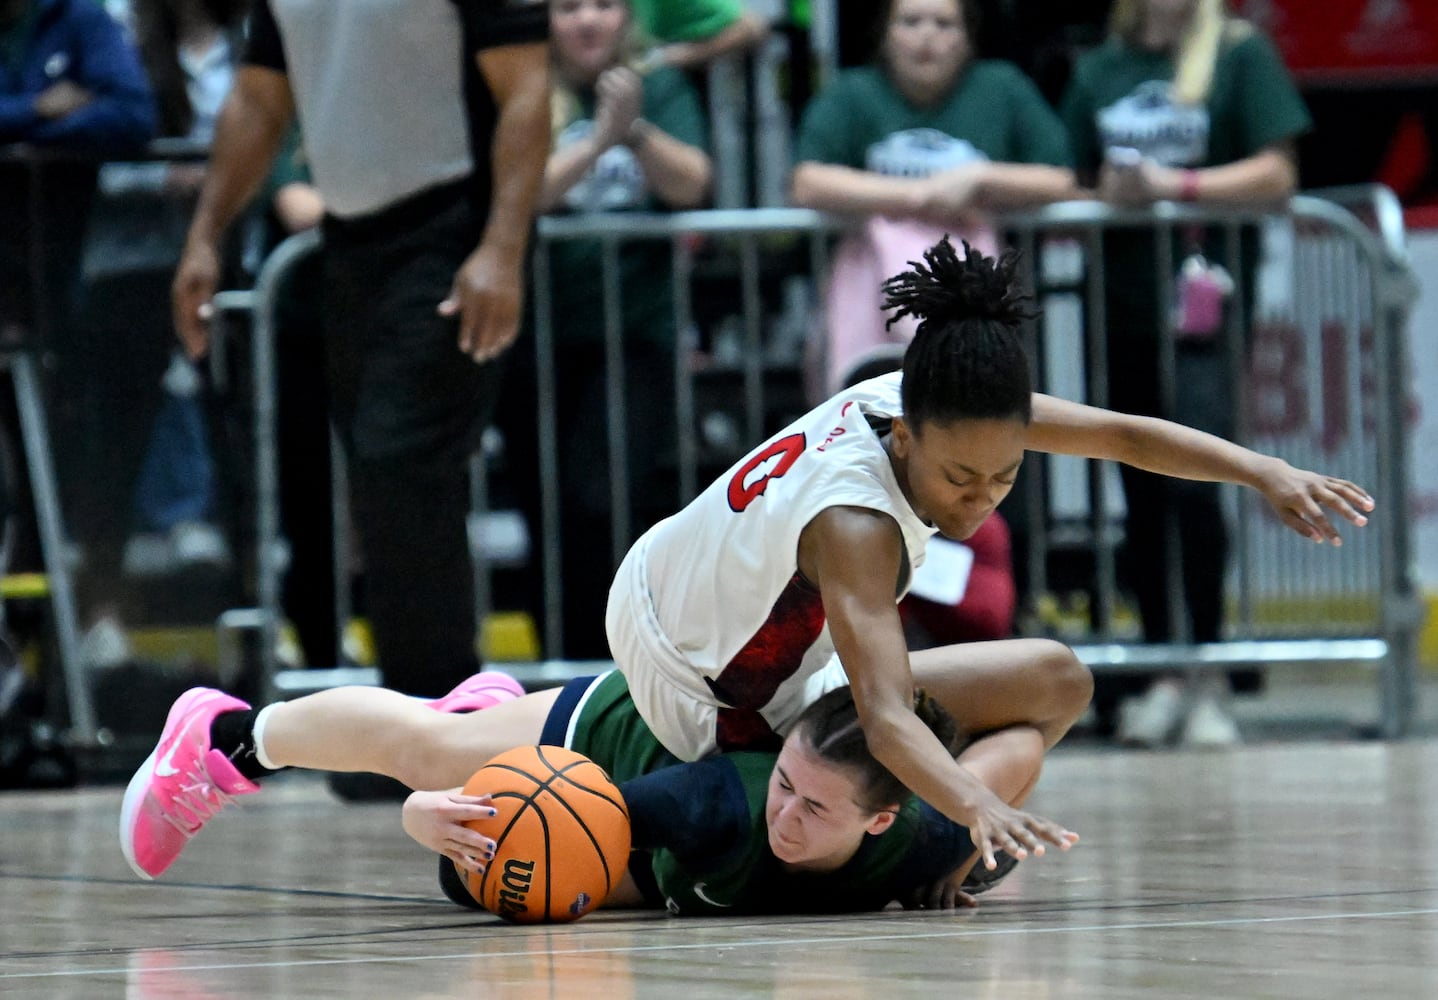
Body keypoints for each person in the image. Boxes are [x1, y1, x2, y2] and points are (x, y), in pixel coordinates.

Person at [603, 235, 1371, 871]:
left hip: (696, 593)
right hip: (695, 683)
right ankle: (940, 845)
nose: (981, 498)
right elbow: (884, 718)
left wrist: (1262, 470)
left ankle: (947, 840)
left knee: (1057, 681)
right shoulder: (856, 523)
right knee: (867, 800)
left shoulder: (944, 399)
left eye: (1004, 476)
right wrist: (978, 803)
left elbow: (1125, 435)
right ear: (904, 437)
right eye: (961, 478)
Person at [169, 3, 550, 720]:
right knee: (381, 482)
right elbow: (259, 98)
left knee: (399, 461)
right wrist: (205, 235)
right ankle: (424, 715)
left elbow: (528, 91)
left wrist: (502, 248)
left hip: (453, 228)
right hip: (350, 245)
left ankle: (439, 717)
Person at [119, 667, 1052, 915]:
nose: (787, 812)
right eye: (790, 787)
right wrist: (423, 819)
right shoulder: (719, 803)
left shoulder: (922, 842)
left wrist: (976, 823)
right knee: (427, 755)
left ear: (883, 818)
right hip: (612, 742)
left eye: (814, 809)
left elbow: (1020, 739)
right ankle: (226, 741)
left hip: (657, 854)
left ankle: (487, 707)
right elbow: (470, 863)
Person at [1059, 0, 1312, 748]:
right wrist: (1106, 195)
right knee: (1137, 487)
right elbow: (1068, 176)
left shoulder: (1238, 54)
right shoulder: (1100, 70)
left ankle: (1206, 671)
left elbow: (1277, 170)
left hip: (1205, 310)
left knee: (1200, 484)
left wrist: (1177, 186)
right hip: (1124, 305)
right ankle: (1163, 670)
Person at [493, 0, 712, 658]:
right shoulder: (523, 81)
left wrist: (635, 131)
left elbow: (692, 183)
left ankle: (619, 663)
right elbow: (517, 194)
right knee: (544, 505)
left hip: (634, 333)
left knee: (608, 498)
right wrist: (596, 142)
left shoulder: (659, 83)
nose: (587, 22)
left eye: (603, 6)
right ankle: (559, 667)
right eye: (568, 8)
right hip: (535, 334)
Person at [788, 0, 1078, 397]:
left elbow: (1059, 179)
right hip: (870, 292)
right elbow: (808, 180)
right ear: (885, 35)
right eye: (910, 21)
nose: (927, 35)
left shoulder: (1000, 87)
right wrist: (920, 195)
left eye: (944, 24)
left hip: (975, 291)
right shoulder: (853, 92)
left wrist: (980, 177)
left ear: (968, 39)